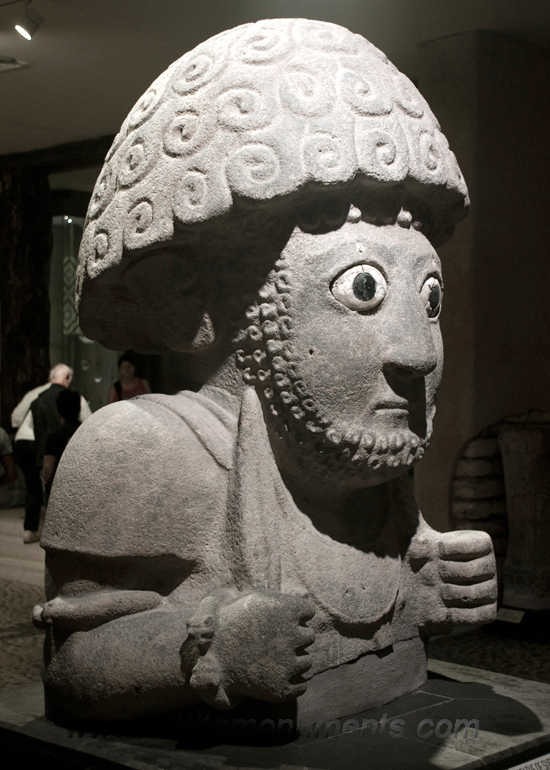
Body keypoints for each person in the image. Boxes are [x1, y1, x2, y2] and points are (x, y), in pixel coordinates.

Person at [38, 20, 497, 726]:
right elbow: (72, 666)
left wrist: (423, 590)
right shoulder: (139, 452)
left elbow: (392, 592)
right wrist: (206, 650)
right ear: (193, 299)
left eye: (429, 298)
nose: (418, 352)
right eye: (362, 290)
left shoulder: (366, 460)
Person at [12, 364, 91, 543]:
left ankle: (32, 530)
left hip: (24, 442)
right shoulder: (72, 397)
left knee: (33, 488)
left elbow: (16, 417)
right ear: (68, 379)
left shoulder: (37, 395)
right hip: (51, 448)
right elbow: (88, 421)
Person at [41, 389, 82, 497]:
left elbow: (48, 469)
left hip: (62, 489)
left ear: (57, 409)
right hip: (83, 485)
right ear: (79, 408)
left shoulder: (55, 436)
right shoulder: (87, 431)